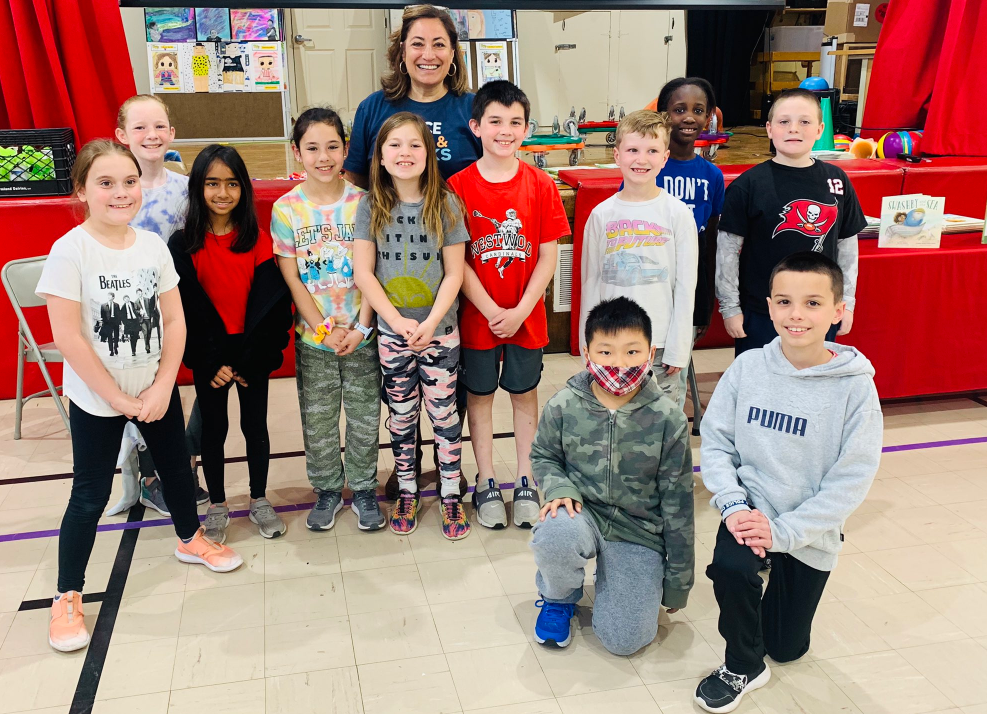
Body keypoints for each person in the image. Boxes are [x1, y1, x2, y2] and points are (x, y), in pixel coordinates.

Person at [37, 140, 243, 653]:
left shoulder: (151, 245)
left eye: (129, 181)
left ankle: (190, 538)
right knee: (88, 495)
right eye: (106, 183)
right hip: (98, 399)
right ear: (81, 190)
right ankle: (67, 594)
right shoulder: (70, 250)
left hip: (154, 389)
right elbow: (68, 338)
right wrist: (118, 399)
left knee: (177, 470)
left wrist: (163, 383)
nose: (121, 192)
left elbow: (174, 320)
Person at [694, 252, 883, 713]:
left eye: (812, 303)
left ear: (838, 311)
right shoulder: (748, 368)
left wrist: (784, 534)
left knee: (786, 648)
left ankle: (776, 583)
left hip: (808, 526)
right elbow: (716, 444)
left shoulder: (855, 387)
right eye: (784, 301)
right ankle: (742, 665)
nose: (796, 314)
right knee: (732, 569)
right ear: (770, 306)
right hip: (749, 510)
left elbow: (851, 480)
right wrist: (734, 506)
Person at [345, 4, 480, 498]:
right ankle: (407, 471)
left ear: (453, 52)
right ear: (401, 50)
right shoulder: (373, 108)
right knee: (400, 398)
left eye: (439, 43)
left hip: (455, 261)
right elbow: (357, 182)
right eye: (417, 43)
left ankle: (447, 475)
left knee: (447, 388)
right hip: (391, 271)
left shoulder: (470, 108)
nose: (428, 53)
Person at [528, 296, 694, 654]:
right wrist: (558, 487)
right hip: (581, 513)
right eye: (606, 352)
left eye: (632, 352)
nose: (619, 364)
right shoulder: (563, 405)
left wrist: (679, 581)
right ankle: (559, 598)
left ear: (651, 353)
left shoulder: (669, 419)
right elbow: (543, 456)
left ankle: (618, 578)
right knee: (555, 532)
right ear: (587, 353)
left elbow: (679, 504)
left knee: (625, 641)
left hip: (639, 529)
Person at [447, 80, 569, 530]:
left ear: (526, 129)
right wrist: (490, 309)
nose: (505, 130)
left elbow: (548, 255)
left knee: (523, 395)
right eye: (495, 121)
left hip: (526, 317)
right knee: (479, 398)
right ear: (476, 126)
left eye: (515, 122)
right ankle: (485, 480)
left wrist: (519, 310)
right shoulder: (457, 187)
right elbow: (457, 261)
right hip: (477, 318)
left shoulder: (541, 184)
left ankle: (524, 479)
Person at [353, 112, 470, 540]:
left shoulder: (447, 204)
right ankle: (407, 489)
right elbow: (364, 273)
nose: (405, 153)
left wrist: (432, 321)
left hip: (441, 334)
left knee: (444, 416)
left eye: (414, 145)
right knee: (401, 417)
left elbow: (454, 273)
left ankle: (451, 493)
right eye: (395, 145)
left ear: (429, 154)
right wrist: (397, 321)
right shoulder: (371, 205)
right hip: (393, 335)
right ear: (381, 157)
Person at [169, 145, 293, 543]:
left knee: (254, 426)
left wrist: (252, 359)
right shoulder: (181, 245)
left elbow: (273, 307)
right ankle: (218, 504)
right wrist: (210, 361)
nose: (222, 193)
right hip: (211, 355)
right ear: (198, 187)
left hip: (250, 353)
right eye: (212, 183)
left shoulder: (257, 240)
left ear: (244, 189)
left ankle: (259, 498)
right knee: (213, 429)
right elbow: (185, 310)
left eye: (232, 184)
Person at [272, 107, 384, 532]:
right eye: (313, 148)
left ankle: (365, 488)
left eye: (333, 146)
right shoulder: (286, 209)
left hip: (361, 336)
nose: (324, 157)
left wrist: (362, 327)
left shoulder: (365, 203)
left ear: (345, 149)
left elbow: (374, 272)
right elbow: (292, 277)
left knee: (364, 418)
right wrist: (323, 330)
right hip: (314, 339)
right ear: (297, 152)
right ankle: (327, 489)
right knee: (318, 421)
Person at [715, 88, 867, 356]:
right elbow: (727, 251)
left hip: (820, 309)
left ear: (820, 130)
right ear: (769, 129)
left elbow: (847, 248)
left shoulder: (837, 181)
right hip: (763, 310)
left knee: (814, 375)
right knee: (761, 376)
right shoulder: (747, 185)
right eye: (784, 121)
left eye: (804, 121)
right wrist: (730, 308)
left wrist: (847, 302)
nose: (793, 129)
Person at [115, 94, 208, 511]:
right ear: (122, 135)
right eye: (139, 127)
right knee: (149, 391)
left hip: (183, 305)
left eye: (158, 126)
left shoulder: (186, 189)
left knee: (212, 380)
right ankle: (154, 475)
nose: (150, 135)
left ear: (171, 133)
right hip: (134, 313)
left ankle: (185, 457)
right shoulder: (118, 192)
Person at [579, 109, 698, 408]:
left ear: (665, 157)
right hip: (610, 344)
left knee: (661, 423)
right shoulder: (601, 215)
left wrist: (679, 348)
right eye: (633, 150)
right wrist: (588, 342)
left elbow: (686, 286)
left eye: (652, 151)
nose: (641, 159)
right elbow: (590, 282)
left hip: (660, 345)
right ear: (617, 155)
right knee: (614, 419)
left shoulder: (678, 214)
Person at [654, 77, 725, 338]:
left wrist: (707, 300)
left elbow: (711, 241)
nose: (688, 117)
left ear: (708, 118)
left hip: (692, 274)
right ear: (664, 116)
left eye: (698, 110)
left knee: (681, 353)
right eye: (679, 109)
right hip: (653, 270)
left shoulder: (712, 175)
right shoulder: (647, 169)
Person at [100, 292, 121, 356]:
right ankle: (111, 350)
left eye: (110, 296)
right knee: (109, 337)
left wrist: (119, 323)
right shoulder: (103, 306)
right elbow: (102, 316)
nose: (109, 297)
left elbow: (119, 315)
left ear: (113, 297)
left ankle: (115, 347)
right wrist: (104, 324)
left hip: (115, 322)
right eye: (108, 296)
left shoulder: (117, 305)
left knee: (116, 336)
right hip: (108, 323)